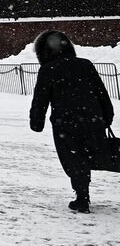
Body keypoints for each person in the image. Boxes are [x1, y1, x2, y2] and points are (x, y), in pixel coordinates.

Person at [29, 30, 114, 213]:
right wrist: (107, 116)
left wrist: (36, 122)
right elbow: (101, 93)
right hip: (92, 119)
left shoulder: (48, 70)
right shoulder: (85, 65)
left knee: (74, 159)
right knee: (97, 154)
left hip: (65, 123)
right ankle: (83, 195)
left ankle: (82, 197)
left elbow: (40, 100)